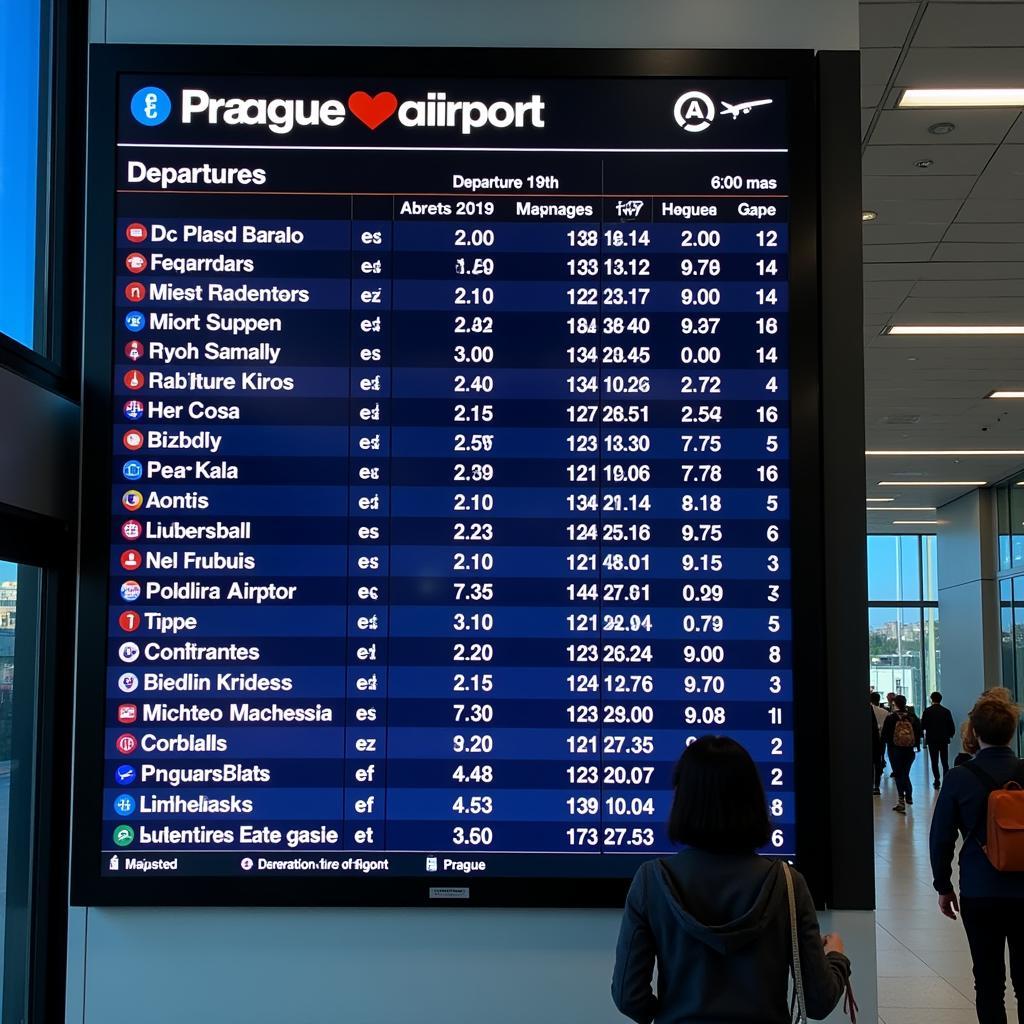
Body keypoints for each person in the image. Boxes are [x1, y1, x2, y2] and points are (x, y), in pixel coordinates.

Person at [612, 736, 852, 1023]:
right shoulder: (787, 883)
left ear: (683, 799)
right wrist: (836, 957)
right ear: (753, 800)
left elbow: (629, 997)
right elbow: (818, 1000)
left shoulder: (651, 881)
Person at [930, 691, 1024, 1024]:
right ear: (1012, 731)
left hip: (980, 891)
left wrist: (943, 885)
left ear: (976, 733)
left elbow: (941, 837)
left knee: (987, 982)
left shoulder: (959, 778)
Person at [880, 694, 922, 814]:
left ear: (895, 704)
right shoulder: (912, 717)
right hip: (909, 750)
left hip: (895, 749)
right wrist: (916, 745)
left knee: (899, 774)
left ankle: (901, 801)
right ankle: (908, 794)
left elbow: (885, 734)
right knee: (905, 772)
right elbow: (919, 732)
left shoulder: (891, 717)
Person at [921, 691, 957, 789]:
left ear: (931, 699)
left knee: (934, 761)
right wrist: (950, 735)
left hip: (932, 739)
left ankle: (936, 780)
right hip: (943, 739)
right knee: (944, 761)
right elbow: (951, 726)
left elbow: (923, 725)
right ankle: (946, 779)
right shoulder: (946, 711)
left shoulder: (927, 711)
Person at [870, 691, 889, 794]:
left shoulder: (869, 710)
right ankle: (877, 785)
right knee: (879, 760)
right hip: (881, 740)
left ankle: (871, 783)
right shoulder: (885, 712)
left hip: (871, 739)